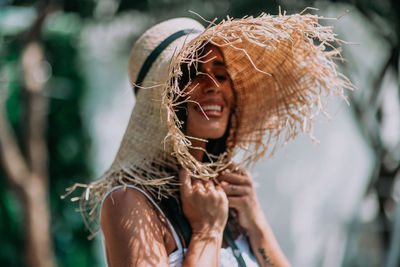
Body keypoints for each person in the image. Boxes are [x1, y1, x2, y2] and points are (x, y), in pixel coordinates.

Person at [65, 13, 352, 267]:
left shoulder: (227, 198)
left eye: (221, 74)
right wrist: (207, 232)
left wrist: (257, 224)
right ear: (161, 99)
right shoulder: (130, 201)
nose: (214, 86)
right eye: (193, 73)